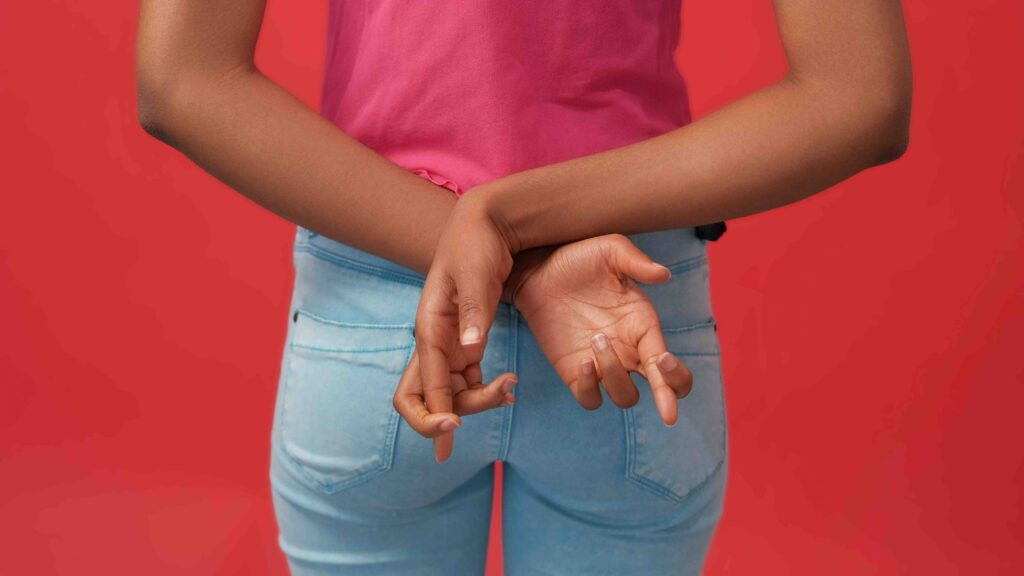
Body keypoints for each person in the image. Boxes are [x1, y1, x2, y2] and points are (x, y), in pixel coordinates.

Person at [135, 0, 911, 573]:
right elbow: (859, 95)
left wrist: (496, 238)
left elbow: (184, 78)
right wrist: (513, 245)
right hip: (625, 325)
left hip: (388, 312)